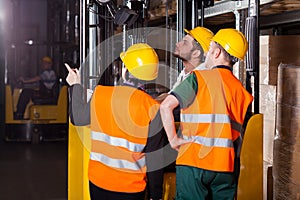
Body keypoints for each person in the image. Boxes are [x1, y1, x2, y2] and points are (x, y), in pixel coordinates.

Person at [160, 28, 254, 199]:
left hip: (193, 161)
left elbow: (166, 106)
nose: (207, 55)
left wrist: (173, 140)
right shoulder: (242, 91)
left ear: (217, 52)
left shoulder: (198, 78)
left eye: (209, 50)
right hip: (225, 164)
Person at [66, 43, 165, 200]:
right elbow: (155, 159)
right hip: (131, 188)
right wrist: (156, 194)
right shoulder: (153, 108)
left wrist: (75, 85)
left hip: (98, 182)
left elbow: (77, 118)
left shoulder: (101, 94)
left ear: (125, 71)